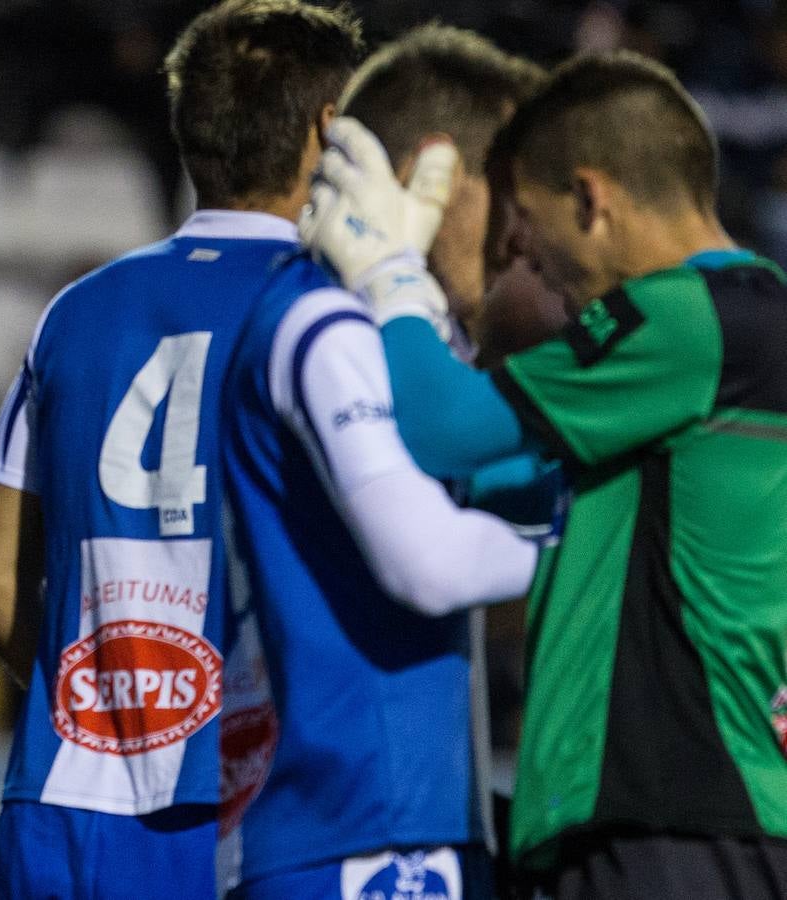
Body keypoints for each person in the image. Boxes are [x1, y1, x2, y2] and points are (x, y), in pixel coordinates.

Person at [308, 50, 787, 899]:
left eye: (529, 225)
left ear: (589, 200)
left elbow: (448, 432)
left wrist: (390, 277)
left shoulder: (680, 320)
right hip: (706, 815)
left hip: (670, 823)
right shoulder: (745, 331)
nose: (525, 260)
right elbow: (533, 486)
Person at [0, 2, 365, 896]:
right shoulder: (334, 319)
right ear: (329, 129)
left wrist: (98, 704)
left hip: (58, 809)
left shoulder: (76, 312)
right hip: (243, 814)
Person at [219, 26, 547, 899]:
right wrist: (618, 555)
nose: (525, 235)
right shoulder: (324, 326)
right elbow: (427, 563)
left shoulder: (416, 344)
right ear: (434, 175)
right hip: (351, 841)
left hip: (416, 828)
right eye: (512, 190)